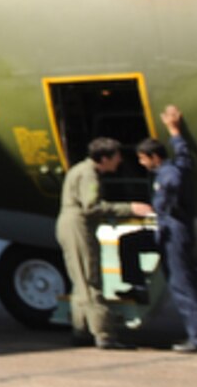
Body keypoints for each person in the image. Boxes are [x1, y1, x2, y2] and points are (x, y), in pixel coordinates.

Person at [56, 137, 152, 349]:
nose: (119, 162)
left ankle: (81, 330)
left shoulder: (79, 169)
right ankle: (104, 334)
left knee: (80, 280)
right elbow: (92, 207)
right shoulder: (89, 174)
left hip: (70, 225)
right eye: (117, 158)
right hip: (79, 227)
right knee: (90, 280)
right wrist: (130, 208)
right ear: (105, 158)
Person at [136, 107, 197, 353]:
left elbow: (174, 182)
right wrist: (174, 131)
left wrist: (163, 205)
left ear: (154, 158)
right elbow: (183, 153)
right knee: (185, 282)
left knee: (182, 285)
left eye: (143, 159)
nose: (141, 163)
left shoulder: (168, 174)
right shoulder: (178, 164)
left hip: (174, 233)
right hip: (177, 231)